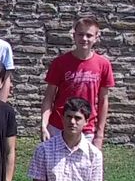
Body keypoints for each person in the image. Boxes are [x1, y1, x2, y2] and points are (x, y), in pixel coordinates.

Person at [42, 15, 114, 145]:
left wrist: (99, 134)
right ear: (74, 36)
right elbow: (49, 97)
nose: (84, 39)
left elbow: (103, 100)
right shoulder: (60, 63)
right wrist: (44, 125)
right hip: (58, 126)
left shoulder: (103, 64)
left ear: (96, 38)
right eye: (80, 34)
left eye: (89, 35)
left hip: (86, 128)